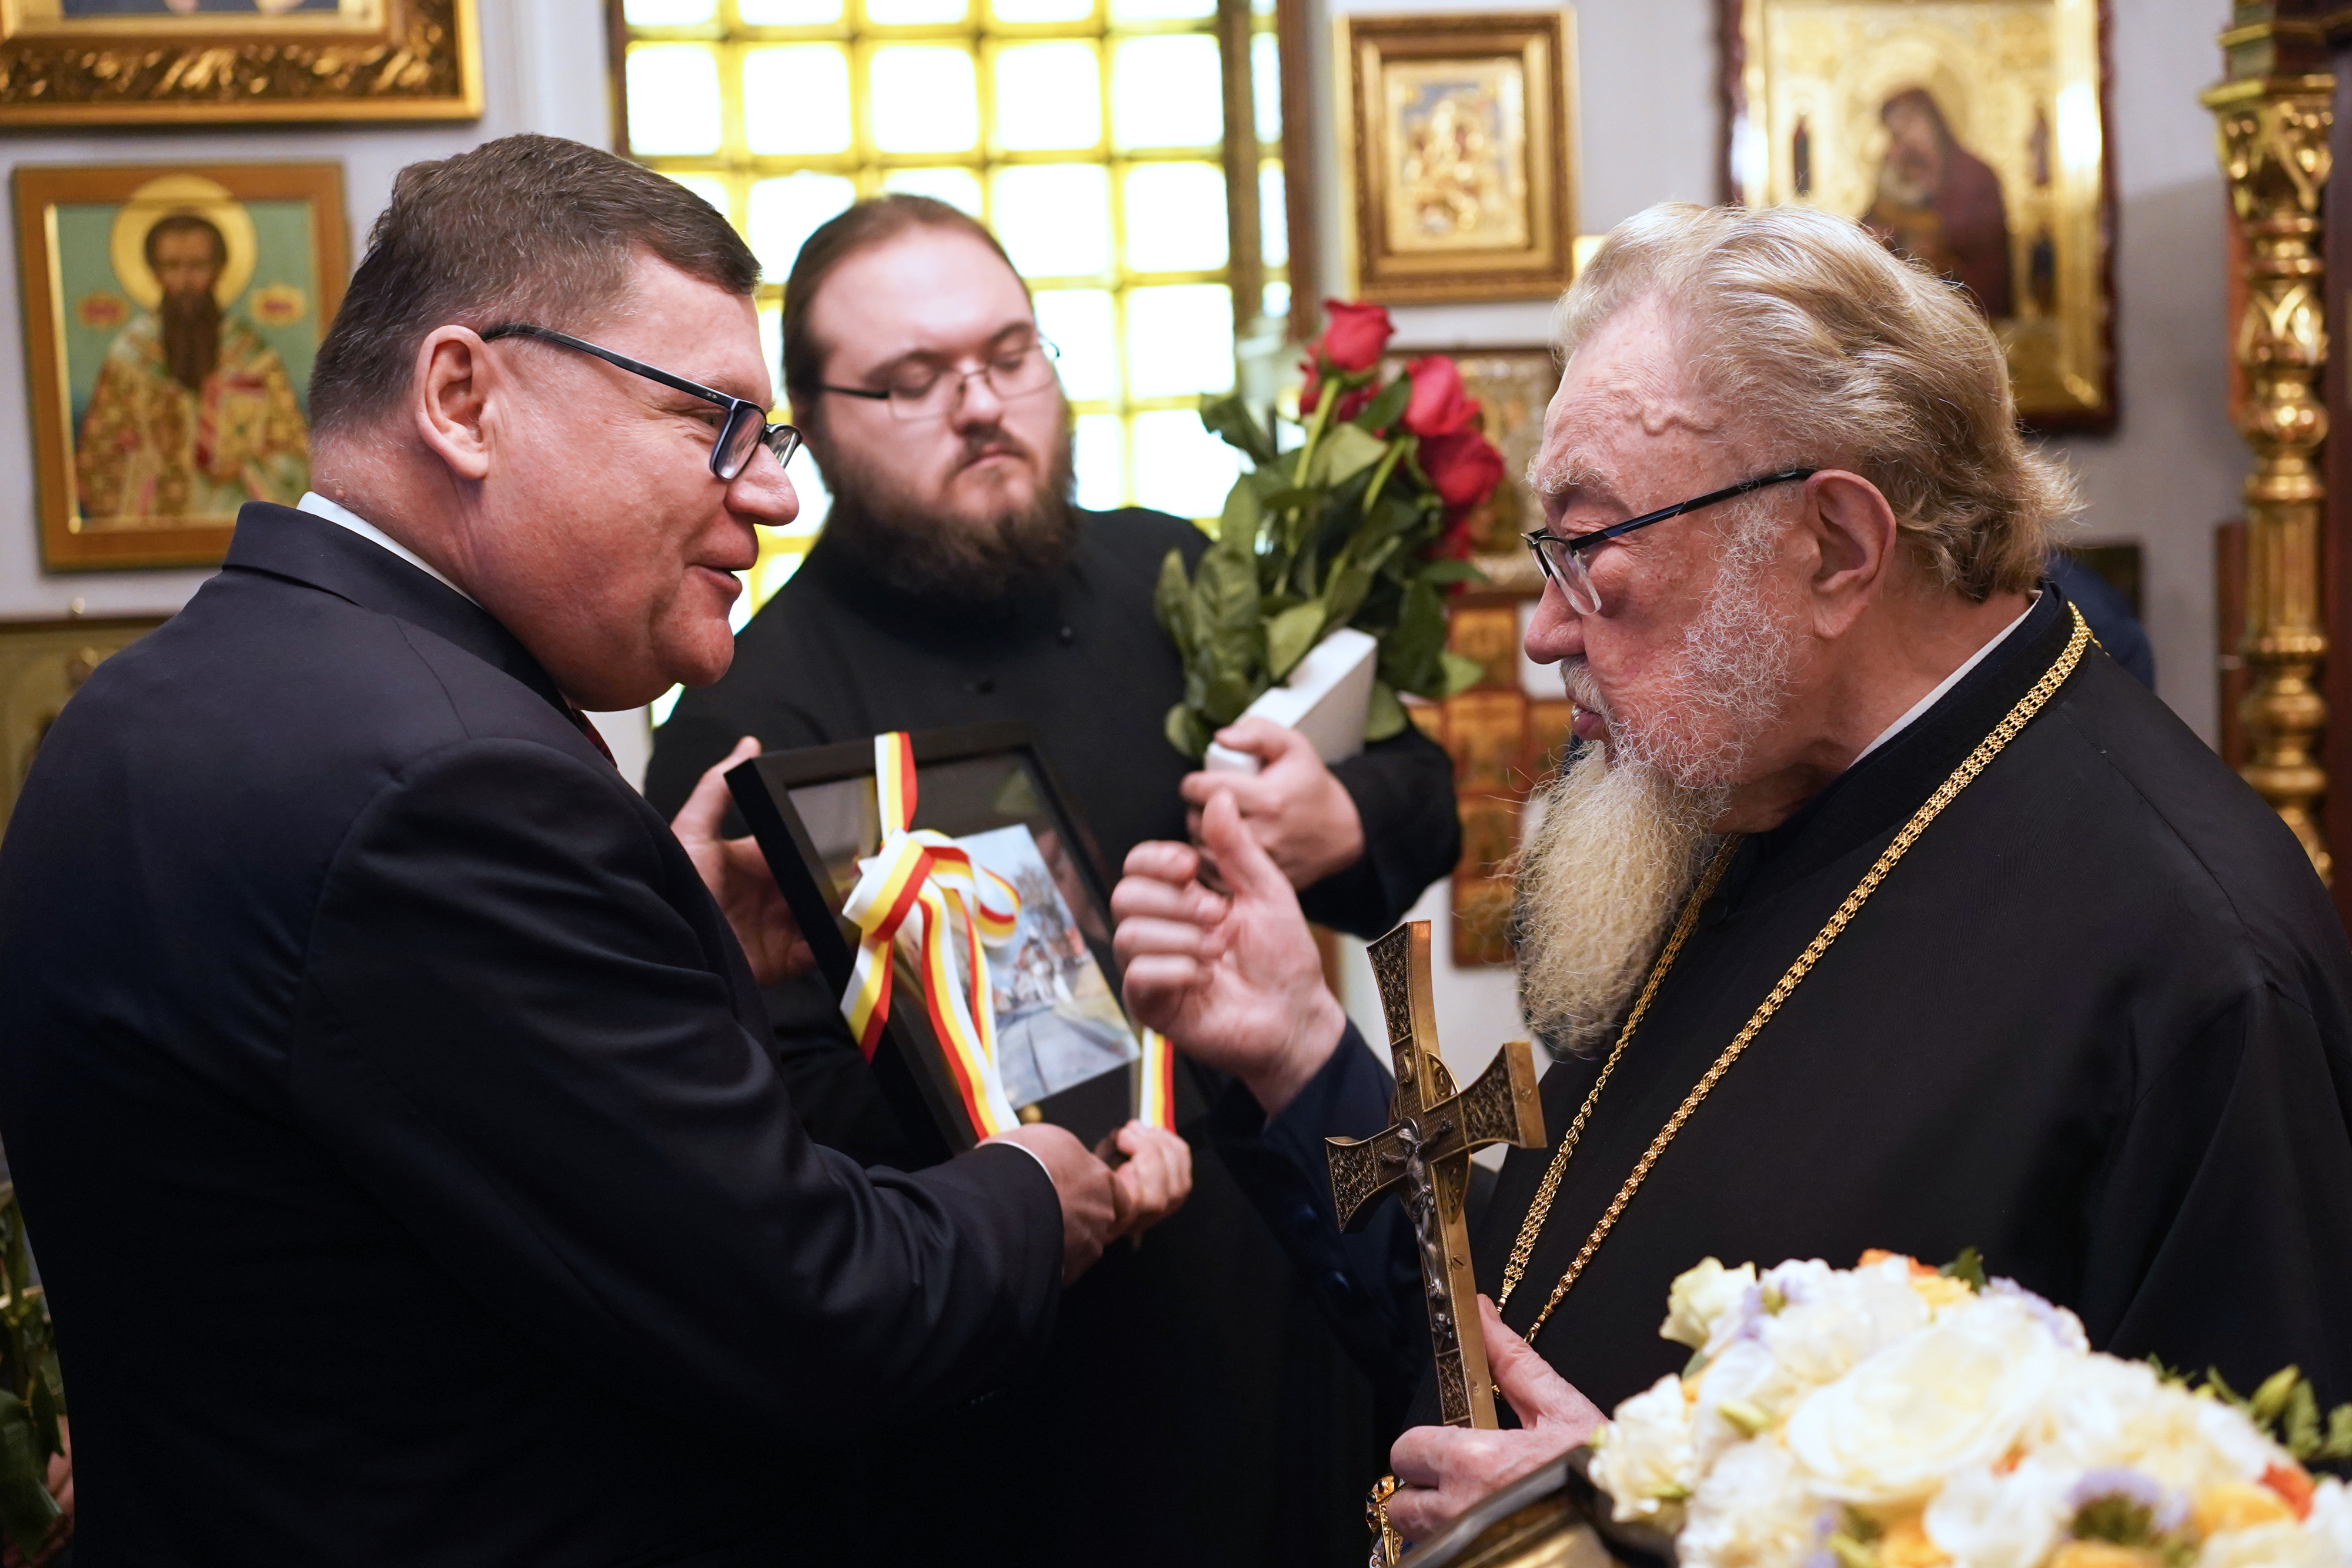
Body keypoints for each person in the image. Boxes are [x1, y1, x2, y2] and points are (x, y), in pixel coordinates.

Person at [0, 134, 1190, 1566]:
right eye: (719, 423)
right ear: (463, 397)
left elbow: (405, 1123)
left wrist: (665, 923)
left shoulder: (139, 704)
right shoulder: (459, 782)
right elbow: (811, 1307)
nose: (773, 497)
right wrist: (1030, 1188)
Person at [1114, 202, 2352, 1546]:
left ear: (1831, 548)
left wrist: (1638, 1521)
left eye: (1591, 552)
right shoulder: (1735, 788)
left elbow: (2237, 1529)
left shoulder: (2199, 964)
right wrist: (1296, 1049)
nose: (1540, 633)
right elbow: (1539, 1289)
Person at [643, 195, 1464, 1566]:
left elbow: (1421, 798)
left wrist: (1332, 820)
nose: (978, 405)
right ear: (817, 420)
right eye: (910, 381)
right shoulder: (758, 708)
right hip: (1008, 1376)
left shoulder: (1166, 568)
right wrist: (1004, 1123)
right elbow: (760, 1127)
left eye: (1009, 354)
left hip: (1275, 1291)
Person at [76, 210, 310, 523]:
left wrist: (244, 466)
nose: (185, 281)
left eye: (198, 266)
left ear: (218, 269)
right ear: (154, 271)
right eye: (172, 266)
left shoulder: (252, 355)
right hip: (155, 525)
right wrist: (142, 456)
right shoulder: (129, 357)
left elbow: (295, 455)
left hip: (235, 520)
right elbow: (96, 461)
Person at [1860, 88, 2014, 319]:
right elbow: (1867, 235)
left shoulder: (1975, 175)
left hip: (1969, 308)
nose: (1907, 140)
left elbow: (1963, 235)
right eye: (1897, 134)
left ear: (1934, 122)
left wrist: (1900, 217)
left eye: (1911, 125)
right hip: (1911, 310)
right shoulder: (1897, 176)